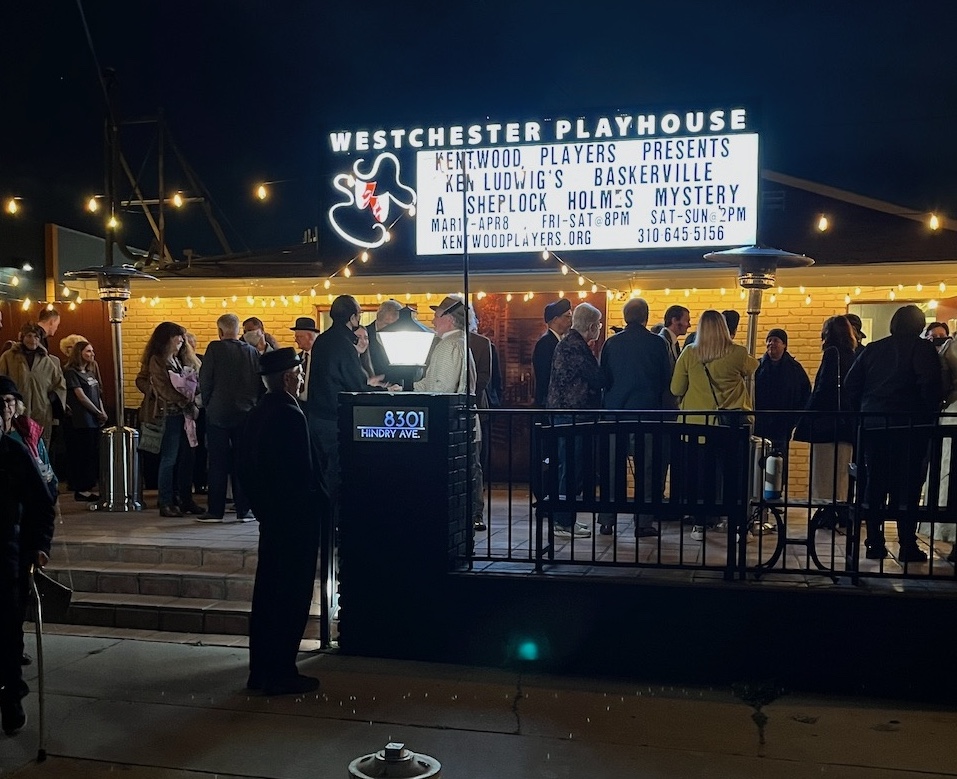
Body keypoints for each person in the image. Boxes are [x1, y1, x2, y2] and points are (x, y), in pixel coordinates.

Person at [241, 347, 325, 696]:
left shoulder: (259, 412)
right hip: (294, 521)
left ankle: (262, 671)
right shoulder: (291, 414)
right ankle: (281, 671)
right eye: (299, 373)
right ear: (289, 377)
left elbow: (246, 468)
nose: (302, 378)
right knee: (290, 596)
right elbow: (300, 473)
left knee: (268, 595)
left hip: (273, 519)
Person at [844, 304, 943, 562]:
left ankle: (873, 542)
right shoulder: (922, 349)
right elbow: (930, 384)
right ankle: (907, 544)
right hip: (910, 429)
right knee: (908, 487)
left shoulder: (874, 349)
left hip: (873, 427)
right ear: (920, 325)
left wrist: (862, 415)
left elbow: (851, 385)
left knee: (873, 485)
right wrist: (928, 414)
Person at [670, 310, 758, 541]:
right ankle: (738, 526)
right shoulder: (738, 353)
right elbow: (753, 367)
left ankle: (700, 525)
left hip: (696, 427)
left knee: (700, 477)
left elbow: (676, 389)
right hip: (731, 427)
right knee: (734, 477)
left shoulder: (689, 353)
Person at [0, 385, 56, 735]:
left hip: (8, 555)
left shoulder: (13, 453)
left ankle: (10, 696)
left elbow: (40, 503)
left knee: (6, 632)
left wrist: (40, 544)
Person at [597, 298, 673, 537]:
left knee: (612, 467)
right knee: (647, 468)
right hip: (647, 414)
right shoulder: (658, 344)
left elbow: (604, 380)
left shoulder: (611, 343)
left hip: (615, 414)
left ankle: (607, 520)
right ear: (646, 317)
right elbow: (666, 380)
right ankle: (643, 521)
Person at [306, 296, 386, 518]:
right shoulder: (343, 344)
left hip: (316, 415)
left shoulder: (322, 340)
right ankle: (335, 523)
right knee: (335, 473)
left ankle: (322, 523)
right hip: (334, 418)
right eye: (358, 315)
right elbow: (355, 385)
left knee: (320, 473)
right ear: (352, 317)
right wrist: (383, 391)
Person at [412, 296, 484, 531]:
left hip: (452, 428)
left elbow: (440, 389)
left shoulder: (448, 345)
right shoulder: (461, 343)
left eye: (437, 314)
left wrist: (406, 389)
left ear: (450, 319)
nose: (433, 319)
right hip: (466, 425)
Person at [546, 302, 604, 538]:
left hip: (567, 416)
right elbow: (597, 378)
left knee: (569, 468)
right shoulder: (575, 346)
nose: (599, 329)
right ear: (591, 326)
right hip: (572, 417)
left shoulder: (567, 343)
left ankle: (567, 518)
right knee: (570, 469)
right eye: (598, 325)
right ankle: (563, 522)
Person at [197, 314, 262, 523]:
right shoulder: (252, 352)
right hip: (245, 413)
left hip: (218, 413)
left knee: (217, 463)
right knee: (243, 461)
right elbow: (259, 383)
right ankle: (244, 509)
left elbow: (205, 379)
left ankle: (215, 511)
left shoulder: (214, 348)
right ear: (238, 330)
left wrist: (208, 404)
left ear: (220, 331)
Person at [136, 322, 200, 517]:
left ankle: (184, 499)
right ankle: (166, 502)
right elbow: (163, 388)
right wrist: (185, 402)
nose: (181, 340)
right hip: (169, 415)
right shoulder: (157, 360)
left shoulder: (176, 359)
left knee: (187, 458)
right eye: (177, 337)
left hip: (182, 415)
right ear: (166, 339)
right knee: (169, 459)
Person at [793, 316, 858, 504]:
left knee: (824, 472)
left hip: (826, 423)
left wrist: (807, 415)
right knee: (842, 472)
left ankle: (825, 510)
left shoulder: (831, 353)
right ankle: (841, 507)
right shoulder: (852, 354)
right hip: (846, 423)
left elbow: (823, 387)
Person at [0, 323, 66, 447]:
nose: (33, 340)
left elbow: (59, 384)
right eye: (29, 336)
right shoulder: (9, 357)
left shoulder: (47, 361)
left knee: (40, 446)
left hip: (41, 410)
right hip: (16, 410)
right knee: (17, 444)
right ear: (22, 337)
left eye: (36, 337)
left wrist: (53, 399)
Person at [754, 328, 811, 465]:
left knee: (779, 464)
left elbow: (805, 395)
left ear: (784, 344)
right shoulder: (757, 366)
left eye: (775, 340)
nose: (770, 343)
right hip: (761, 423)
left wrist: (795, 420)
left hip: (782, 425)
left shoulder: (795, 369)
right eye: (768, 340)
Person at [62, 340, 107, 501]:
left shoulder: (90, 372)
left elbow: (97, 394)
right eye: (88, 351)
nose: (92, 354)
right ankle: (81, 488)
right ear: (79, 353)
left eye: (92, 350)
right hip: (81, 420)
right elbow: (80, 396)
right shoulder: (71, 373)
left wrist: (101, 411)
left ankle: (89, 486)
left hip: (94, 420)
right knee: (82, 454)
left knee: (91, 454)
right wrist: (96, 412)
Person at [1, 376, 57, 501]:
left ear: (16, 404)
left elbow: (47, 471)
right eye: (0, 401)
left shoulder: (28, 432)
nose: (4, 406)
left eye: (9, 400)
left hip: (27, 498)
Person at [532, 299, 572, 408]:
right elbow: (545, 376)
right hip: (548, 404)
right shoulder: (545, 343)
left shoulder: (560, 341)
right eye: (567, 316)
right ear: (555, 319)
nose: (571, 321)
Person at [366, 299, 403, 377]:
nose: (391, 329)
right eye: (387, 324)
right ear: (378, 318)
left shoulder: (403, 337)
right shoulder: (363, 334)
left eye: (395, 325)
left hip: (397, 385)